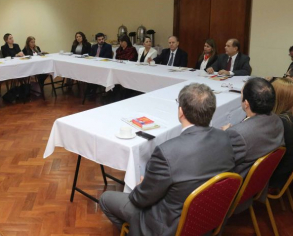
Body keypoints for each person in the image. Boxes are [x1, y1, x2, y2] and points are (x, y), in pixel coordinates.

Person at [99, 83, 235, 236]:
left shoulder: (167, 152)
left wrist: (142, 185)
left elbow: (141, 199)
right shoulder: (225, 137)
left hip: (169, 225)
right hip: (209, 216)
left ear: (181, 112)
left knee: (105, 198)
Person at [222, 78, 284, 178]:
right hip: (260, 181)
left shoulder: (238, 134)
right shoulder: (277, 120)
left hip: (236, 184)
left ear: (246, 103)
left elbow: (221, 163)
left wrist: (225, 136)